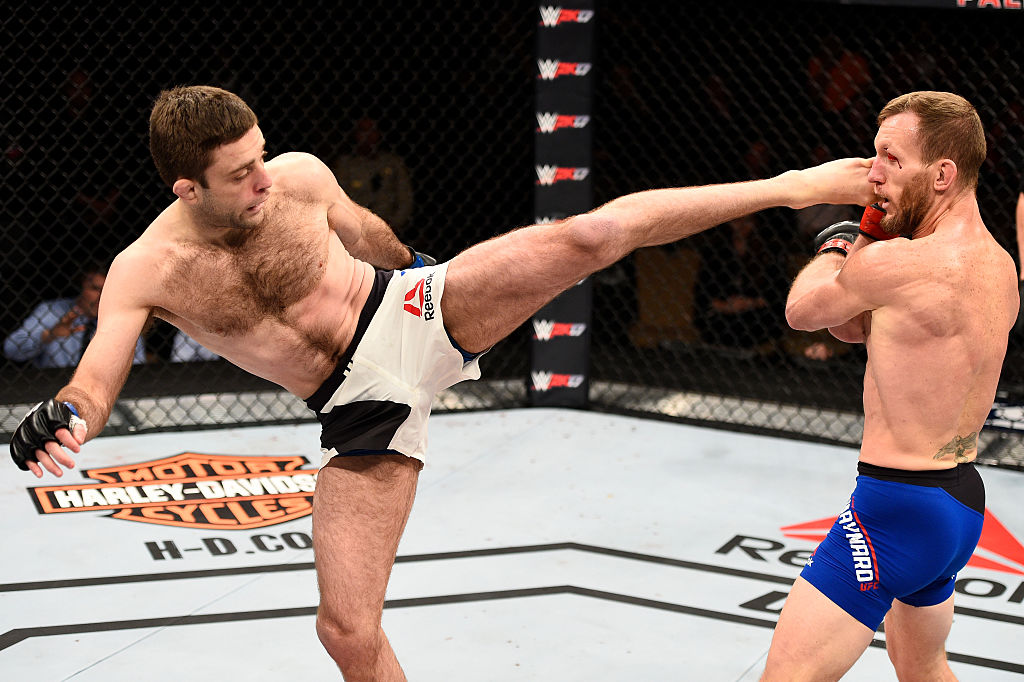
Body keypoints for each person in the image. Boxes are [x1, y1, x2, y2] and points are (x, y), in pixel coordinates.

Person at [9, 85, 874, 680]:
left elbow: (368, 233)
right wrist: (64, 418)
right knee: (345, 631)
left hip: (414, 308)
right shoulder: (145, 269)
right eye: (241, 174)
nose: (265, 178)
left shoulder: (301, 176)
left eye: (262, 155)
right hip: (359, 409)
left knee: (583, 238)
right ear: (186, 187)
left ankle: (787, 187)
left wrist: (420, 270)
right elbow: (94, 380)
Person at [762, 91, 1018, 681]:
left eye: (891, 159)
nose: (872, 174)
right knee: (923, 667)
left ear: (942, 174)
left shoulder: (897, 265)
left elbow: (804, 311)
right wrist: (874, 237)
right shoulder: (1000, 268)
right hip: (959, 503)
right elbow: (856, 325)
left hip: (892, 510)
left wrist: (842, 238)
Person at [3, 262, 146, 368]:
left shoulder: (123, 320)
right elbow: (11, 349)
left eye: (108, 289)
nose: (102, 296)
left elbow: (138, 367)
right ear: (81, 287)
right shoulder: (52, 311)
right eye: (95, 289)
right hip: (53, 391)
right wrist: (49, 335)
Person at [332, 117, 414, 237]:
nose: (368, 136)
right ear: (355, 134)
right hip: (356, 228)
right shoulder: (345, 165)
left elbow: (405, 198)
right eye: (363, 131)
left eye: (372, 131)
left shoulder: (393, 163)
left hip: (390, 227)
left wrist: (393, 224)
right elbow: (339, 199)